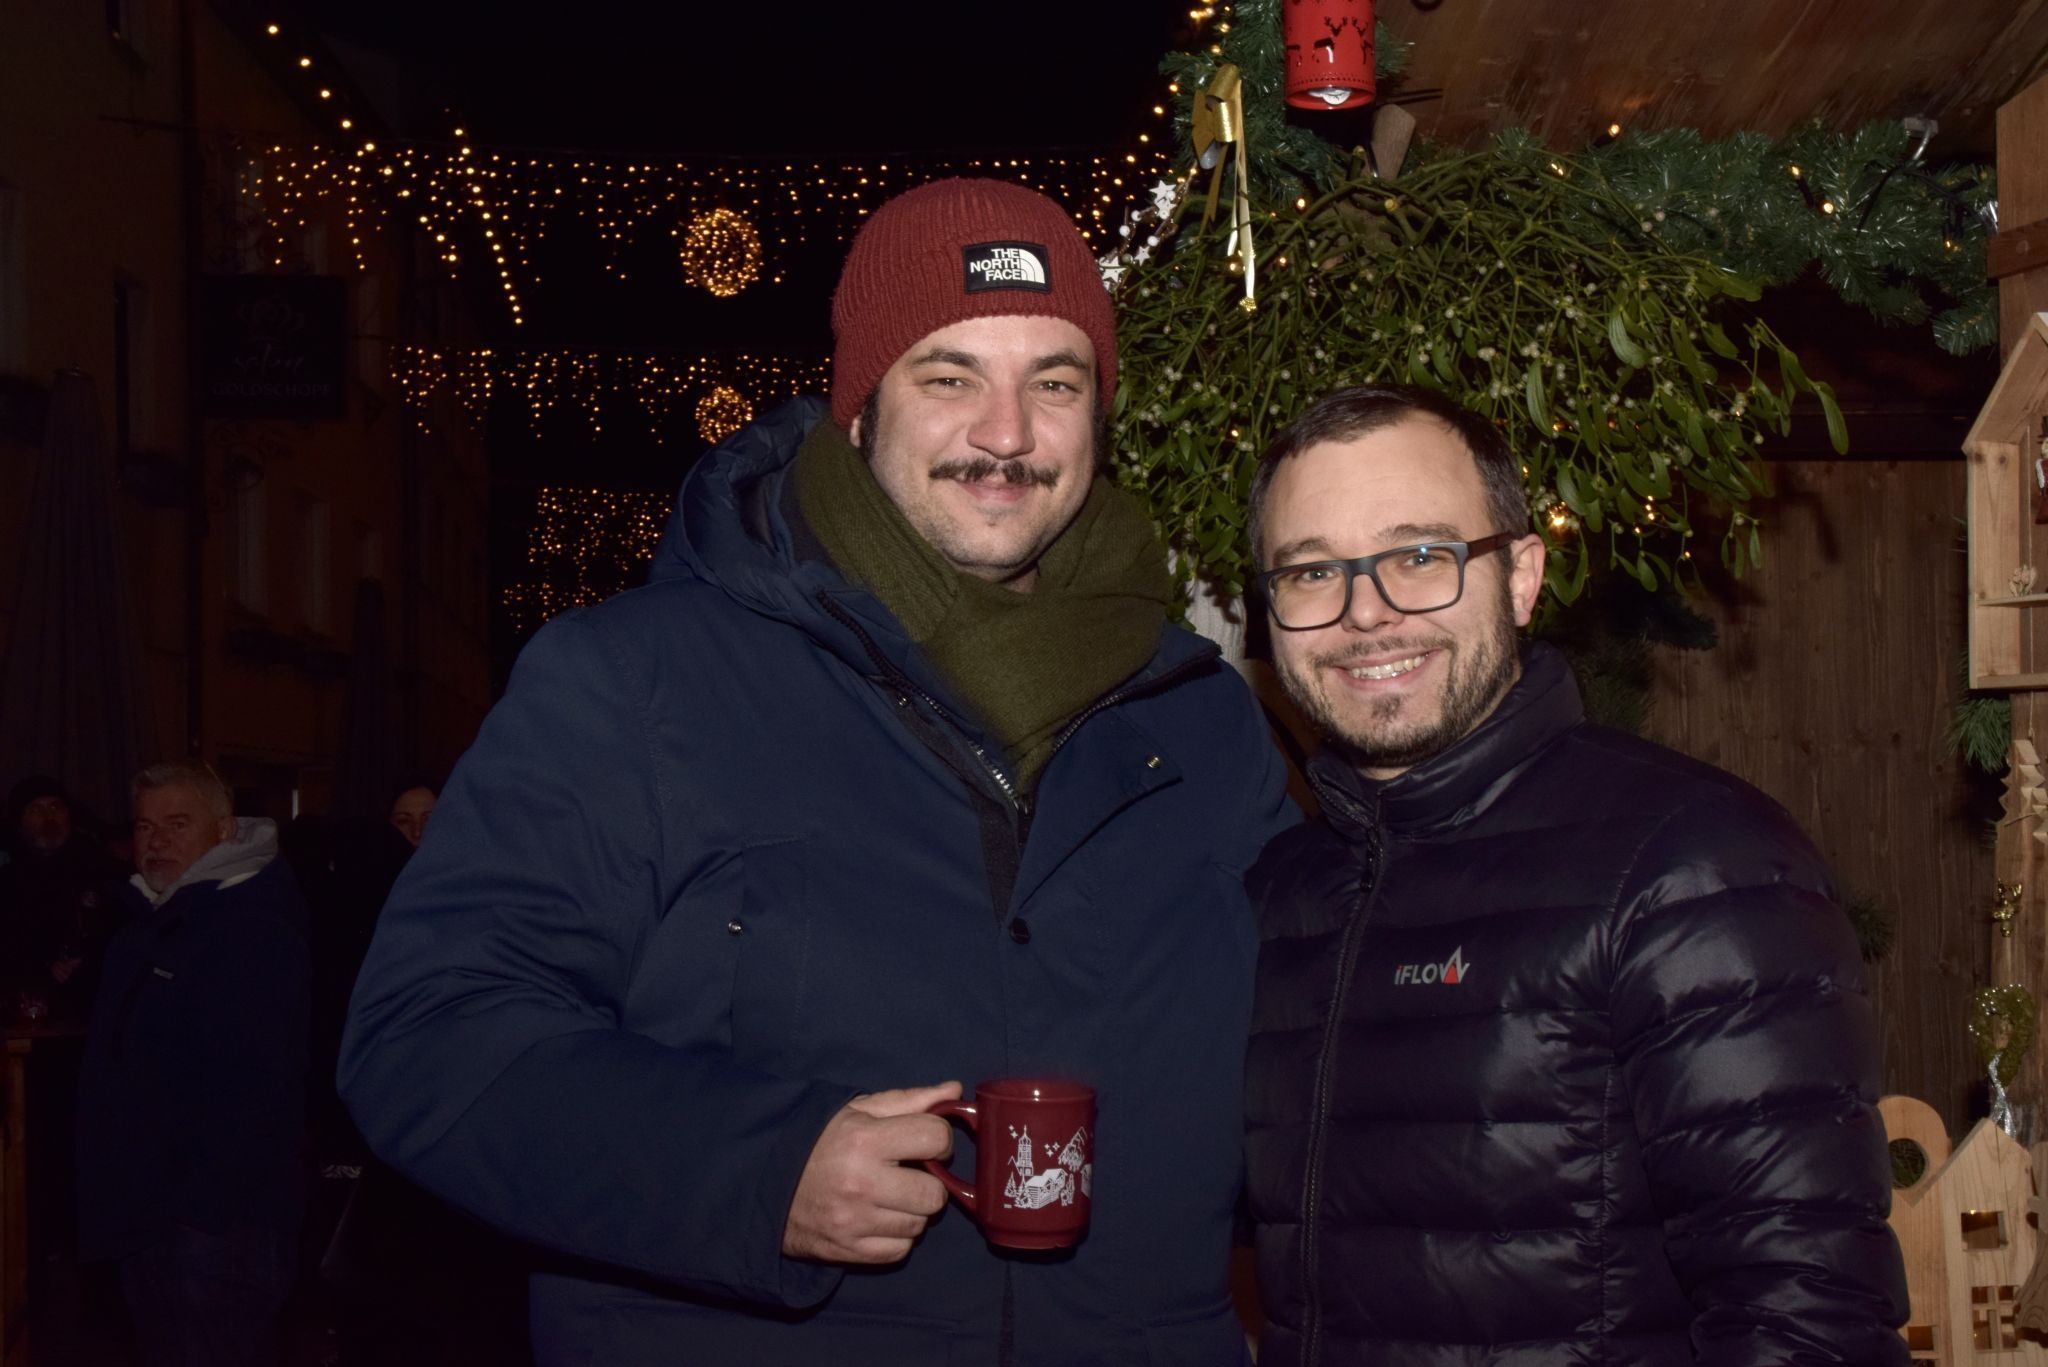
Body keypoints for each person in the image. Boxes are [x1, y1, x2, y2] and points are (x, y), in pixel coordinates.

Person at [339, 177, 1293, 1366]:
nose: (1005, 433)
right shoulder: (634, 684)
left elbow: (1314, 1070)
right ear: (856, 408)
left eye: (1053, 381)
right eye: (947, 376)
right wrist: (754, 1170)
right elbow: (428, 1037)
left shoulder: (1200, 717)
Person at [1240, 384, 1908, 1366]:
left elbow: (1806, 1322)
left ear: (1518, 575)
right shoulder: (1282, 891)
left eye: (1418, 555)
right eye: (1310, 572)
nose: (1364, 612)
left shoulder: (1689, 862)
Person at [76, 761, 310, 1367]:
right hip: (149, 1209)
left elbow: (258, 1084)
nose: (156, 841)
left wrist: (202, 1208)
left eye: (178, 824)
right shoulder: (150, 920)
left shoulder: (251, 925)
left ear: (225, 830)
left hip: (217, 1222)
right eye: (146, 826)